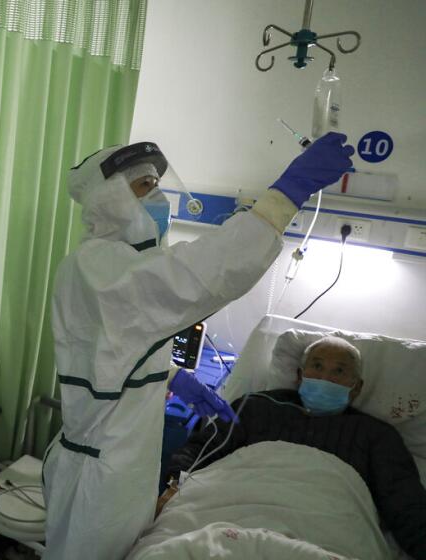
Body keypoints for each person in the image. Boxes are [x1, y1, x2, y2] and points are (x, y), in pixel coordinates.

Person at [42, 133, 355, 560]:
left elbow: (111, 351)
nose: (159, 197)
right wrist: (284, 197)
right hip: (100, 475)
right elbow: (202, 272)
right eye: (144, 186)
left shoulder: (117, 265)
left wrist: (173, 377)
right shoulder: (99, 267)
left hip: (119, 462)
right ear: (108, 199)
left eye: (157, 184)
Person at [164, 336, 426, 559]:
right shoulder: (256, 406)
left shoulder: (376, 435)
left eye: (339, 371)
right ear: (300, 376)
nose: (326, 377)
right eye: (318, 366)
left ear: (356, 387)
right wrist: (172, 485)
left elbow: (406, 505)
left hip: (327, 524)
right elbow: (202, 449)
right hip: (226, 507)